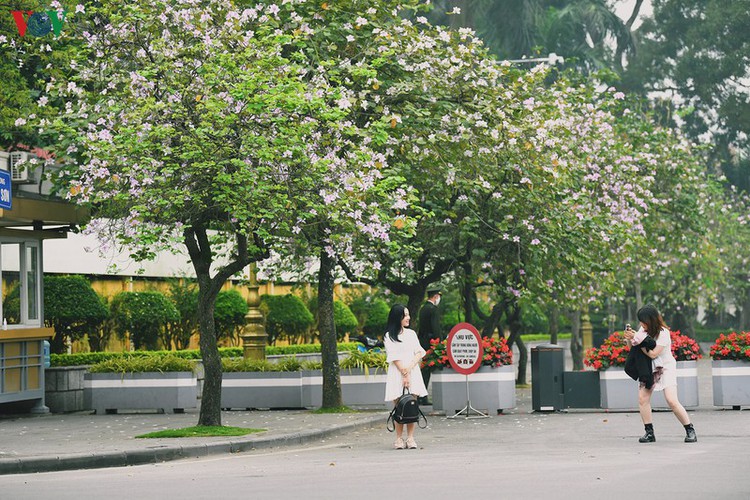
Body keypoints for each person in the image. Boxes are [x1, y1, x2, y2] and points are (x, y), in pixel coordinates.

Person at [623, 304, 697, 443]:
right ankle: (649, 433)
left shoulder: (663, 333)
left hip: (665, 368)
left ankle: (690, 430)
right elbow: (633, 348)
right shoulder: (642, 331)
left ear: (651, 320)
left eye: (643, 321)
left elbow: (653, 353)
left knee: (672, 400)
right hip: (648, 368)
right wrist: (630, 339)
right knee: (642, 399)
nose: (641, 324)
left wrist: (638, 339)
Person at [384, 304, 427, 450]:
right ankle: (398, 439)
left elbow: (419, 352)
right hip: (397, 374)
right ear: (398, 317)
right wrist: (404, 372)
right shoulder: (389, 336)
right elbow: (394, 356)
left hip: (412, 372)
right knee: (399, 407)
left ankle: (410, 438)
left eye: (408, 314)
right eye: (405, 315)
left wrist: (408, 370)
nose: (408, 318)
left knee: (411, 407)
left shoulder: (411, 334)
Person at [417, 285, 442, 405]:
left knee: (424, 370)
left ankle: (421, 395)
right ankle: (422, 396)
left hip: (423, 342)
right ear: (436, 296)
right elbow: (436, 328)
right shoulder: (433, 309)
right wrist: (440, 343)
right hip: (432, 343)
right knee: (427, 370)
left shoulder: (423, 309)